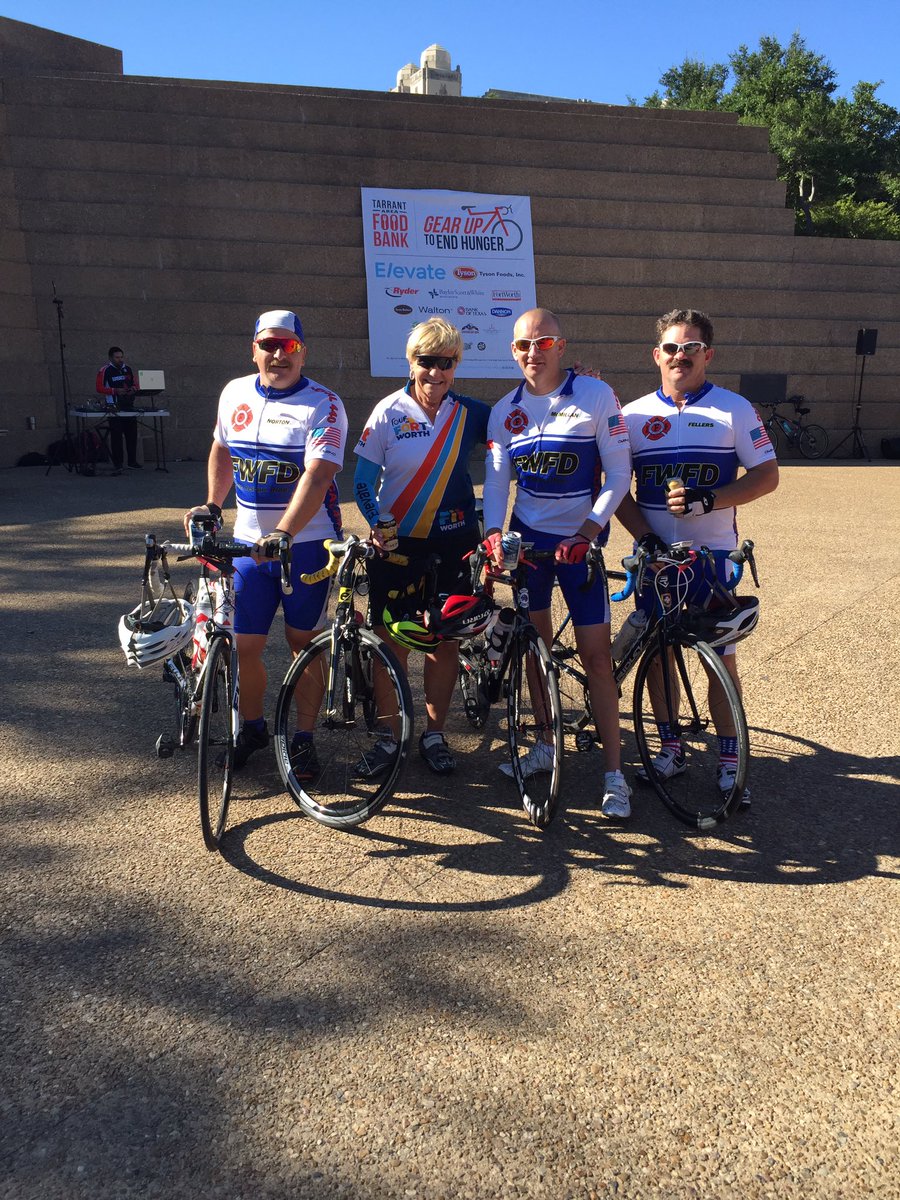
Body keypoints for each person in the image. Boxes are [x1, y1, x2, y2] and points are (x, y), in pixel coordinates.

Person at [616, 307, 779, 806]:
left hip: (711, 556)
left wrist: (711, 500)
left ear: (708, 354)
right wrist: (644, 537)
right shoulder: (633, 415)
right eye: (671, 347)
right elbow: (617, 488)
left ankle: (730, 760)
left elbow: (767, 475)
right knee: (659, 654)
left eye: (690, 348)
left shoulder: (734, 408)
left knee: (720, 660)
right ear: (656, 355)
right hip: (655, 557)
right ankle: (671, 748)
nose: (680, 356)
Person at [482, 308, 634, 818]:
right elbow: (498, 481)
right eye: (524, 344)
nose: (534, 352)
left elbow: (619, 474)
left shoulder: (595, 394)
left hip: (578, 547)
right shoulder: (504, 411)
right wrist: (494, 533)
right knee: (536, 652)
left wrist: (588, 531)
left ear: (561, 346)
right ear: (513, 351)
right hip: (531, 548)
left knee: (596, 659)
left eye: (543, 342)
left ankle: (614, 774)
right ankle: (546, 744)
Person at [184, 309, 347, 771]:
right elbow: (221, 448)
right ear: (253, 350)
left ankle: (303, 738)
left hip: (308, 545)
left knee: (303, 643)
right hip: (248, 546)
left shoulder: (324, 403)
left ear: (302, 352)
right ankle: (252, 727)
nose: (279, 354)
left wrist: (284, 532)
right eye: (269, 345)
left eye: (288, 345)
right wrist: (213, 504)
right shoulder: (234, 393)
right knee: (245, 645)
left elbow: (318, 476)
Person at [353, 318, 491, 776]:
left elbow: (526, 416)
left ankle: (434, 734)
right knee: (392, 643)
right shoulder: (388, 411)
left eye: (446, 363)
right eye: (427, 361)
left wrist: (574, 382)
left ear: (456, 366)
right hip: (398, 546)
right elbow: (362, 481)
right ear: (411, 363)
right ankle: (390, 738)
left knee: (443, 641)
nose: (436, 372)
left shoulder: (471, 413)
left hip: (455, 543)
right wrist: (377, 523)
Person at [96, 345, 139, 472]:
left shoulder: (128, 369)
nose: (120, 360)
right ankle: (118, 463)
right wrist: (115, 391)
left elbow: (134, 383)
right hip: (114, 407)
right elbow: (99, 388)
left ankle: (132, 461)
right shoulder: (105, 370)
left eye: (121, 357)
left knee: (132, 434)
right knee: (117, 436)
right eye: (117, 357)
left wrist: (134, 389)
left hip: (129, 405)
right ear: (111, 358)